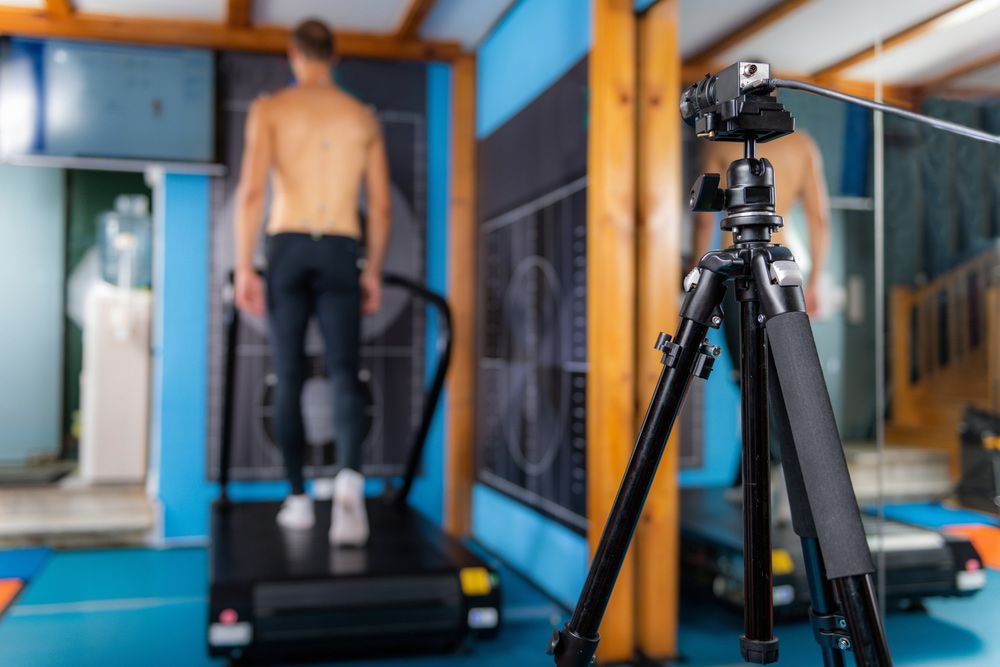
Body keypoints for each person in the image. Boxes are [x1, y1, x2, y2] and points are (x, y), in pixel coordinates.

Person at [233, 18, 391, 546]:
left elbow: (253, 192)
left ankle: (298, 499)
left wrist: (242, 266)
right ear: (335, 57)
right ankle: (348, 480)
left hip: (288, 245)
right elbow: (383, 207)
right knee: (346, 371)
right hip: (342, 245)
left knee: (289, 373)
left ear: (293, 56)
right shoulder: (361, 117)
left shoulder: (271, 109)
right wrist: (372, 270)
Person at [691, 130, 830, 379]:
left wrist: (696, 280)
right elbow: (820, 221)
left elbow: (703, 222)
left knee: (746, 374)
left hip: (735, 268)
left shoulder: (720, 142)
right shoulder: (803, 145)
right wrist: (815, 284)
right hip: (781, 271)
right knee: (786, 376)